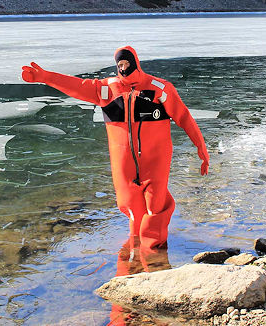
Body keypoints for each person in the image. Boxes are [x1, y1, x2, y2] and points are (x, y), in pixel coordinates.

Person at [22, 45, 209, 250]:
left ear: (135, 62)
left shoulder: (159, 88)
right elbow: (77, 85)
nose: (123, 68)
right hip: (123, 163)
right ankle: (135, 253)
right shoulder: (106, 89)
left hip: (155, 159)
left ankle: (154, 253)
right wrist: (46, 77)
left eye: (127, 63)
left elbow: (184, 118)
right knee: (130, 207)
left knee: (156, 205)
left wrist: (201, 149)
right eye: (119, 64)